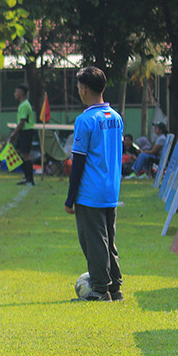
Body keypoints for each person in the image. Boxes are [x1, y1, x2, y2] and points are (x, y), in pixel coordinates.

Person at [64, 66, 123, 302]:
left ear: (84, 89)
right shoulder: (115, 117)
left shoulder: (85, 120)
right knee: (109, 239)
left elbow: (78, 161)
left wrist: (70, 198)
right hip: (111, 189)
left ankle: (99, 289)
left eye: (79, 86)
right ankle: (115, 288)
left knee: (94, 241)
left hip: (90, 192)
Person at [6, 83, 36, 186]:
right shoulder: (23, 104)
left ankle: (30, 179)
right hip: (23, 132)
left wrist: (13, 134)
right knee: (19, 152)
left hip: (26, 131)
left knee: (25, 155)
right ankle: (26, 177)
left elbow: (22, 122)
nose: (14, 94)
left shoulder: (25, 105)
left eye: (16, 92)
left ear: (21, 93)